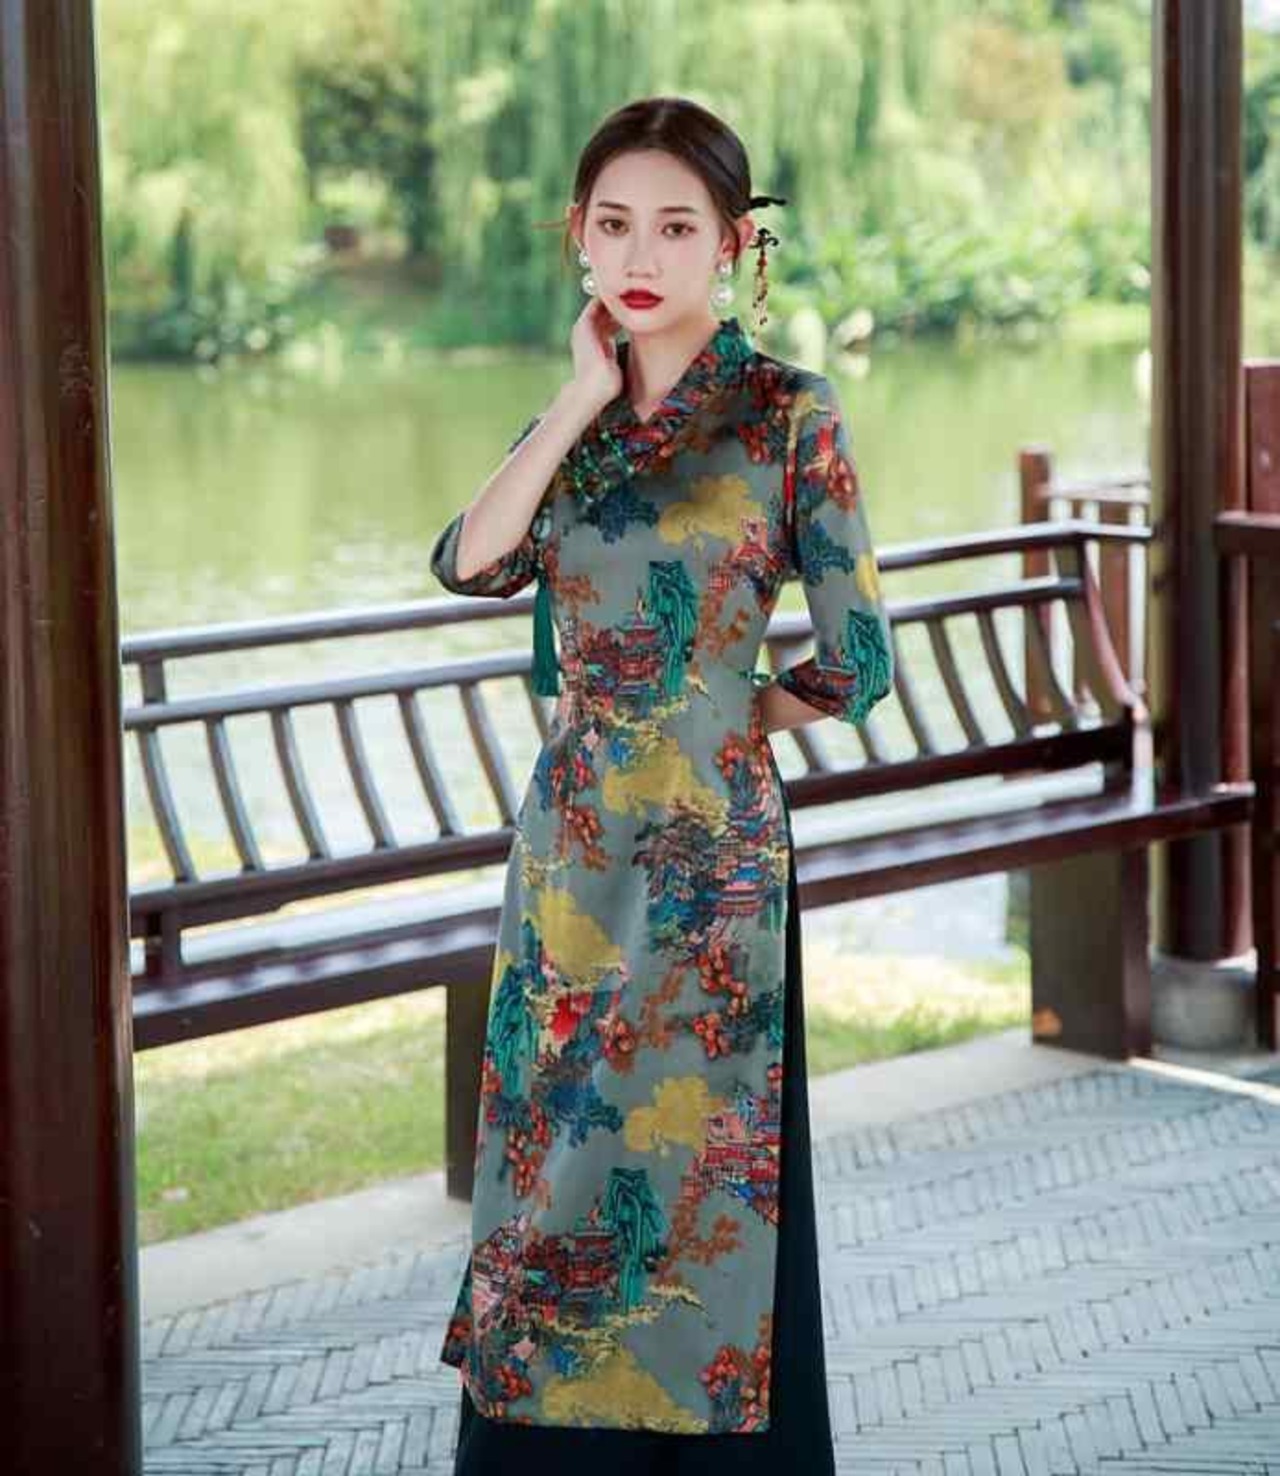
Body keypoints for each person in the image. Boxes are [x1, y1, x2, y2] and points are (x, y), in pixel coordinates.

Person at [429, 95, 895, 1473]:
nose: (643, 255)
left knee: (703, 1175)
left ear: (734, 245)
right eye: (616, 224)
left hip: (712, 866)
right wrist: (580, 393)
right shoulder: (571, 423)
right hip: (573, 853)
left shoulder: (789, 412)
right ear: (578, 238)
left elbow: (860, 659)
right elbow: (470, 562)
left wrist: (728, 713)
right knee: (550, 1160)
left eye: (678, 228)